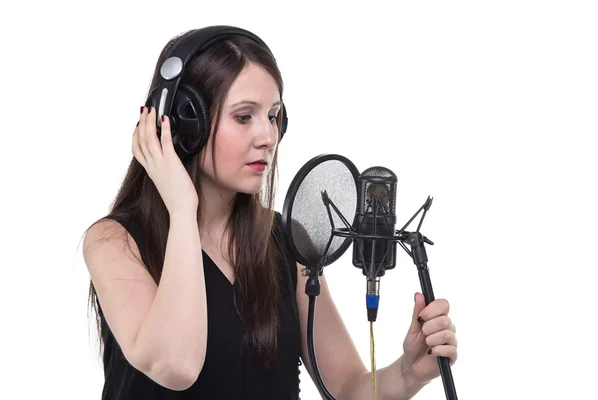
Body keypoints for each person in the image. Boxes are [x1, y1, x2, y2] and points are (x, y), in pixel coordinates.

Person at [83, 26, 458, 400]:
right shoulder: (114, 243)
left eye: (274, 116)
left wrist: (409, 373)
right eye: (244, 117)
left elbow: (346, 388)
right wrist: (183, 209)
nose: (268, 136)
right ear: (186, 123)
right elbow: (176, 365)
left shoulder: (284, 242)